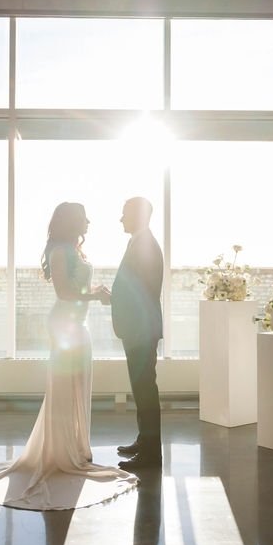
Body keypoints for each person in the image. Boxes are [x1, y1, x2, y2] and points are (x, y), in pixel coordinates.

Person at [0, 202, 136, 510]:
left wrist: (96, 290)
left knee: (77, 386)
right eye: (84, 218)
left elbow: (76, 285)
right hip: (65, 326)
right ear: (72, 222)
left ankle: (75, 450)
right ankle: (61, 453)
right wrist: (95, 295)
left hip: (77, 325)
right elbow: (64, 293)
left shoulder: (72, 249)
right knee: (66, 388)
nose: (89, 223)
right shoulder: (59, 251)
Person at [111, 197, 164, 471]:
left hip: (141, 331)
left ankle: (151, 455)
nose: (120, 219)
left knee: (145, 391)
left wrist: (115, 299)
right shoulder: (139, 242)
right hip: (138, 330)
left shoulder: (145, 245)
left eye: (124, 214)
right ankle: (145, 442)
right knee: (141, 389)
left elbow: (141, 292)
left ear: (138, 216)